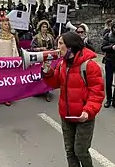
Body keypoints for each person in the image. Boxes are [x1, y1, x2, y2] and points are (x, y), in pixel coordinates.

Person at [42, 32, 104, 167]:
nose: (57, 47)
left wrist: (88, 111)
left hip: (84, 117)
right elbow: (55, 83)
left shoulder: (89, 66)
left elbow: (97, 93)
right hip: (66, 115)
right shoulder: (62, 64)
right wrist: (48, 72)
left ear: (70, 46)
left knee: (81, 151)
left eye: (60, 43)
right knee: (70, 151)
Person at [31, 20, 55, 102]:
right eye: (43, 27)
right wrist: (41, 49)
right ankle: (39, 90)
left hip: (49, 58)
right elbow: (32, 49)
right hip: (40, 58)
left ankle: (47, 91)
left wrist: (52, 50)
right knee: (40, 75)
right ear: (40, 28)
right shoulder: (36, 37)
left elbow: (54, 47)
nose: (44, 28)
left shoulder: (50, 37)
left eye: (46, 27)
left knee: (47, 74)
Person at [101, 21, 115, 108]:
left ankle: (114, 100)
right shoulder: (107, 35)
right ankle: (108, 100)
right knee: (108, 82)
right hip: (109, 61)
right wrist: (112, 47)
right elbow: (102, 48)